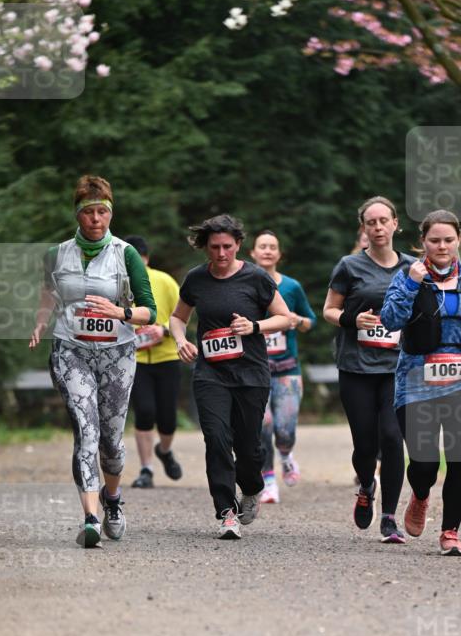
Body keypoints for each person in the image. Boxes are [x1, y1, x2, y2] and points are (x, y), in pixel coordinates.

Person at [29, 175, 157, 548]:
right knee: (86, 432)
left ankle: (112, 500)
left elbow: (150, 311)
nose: (96, 219)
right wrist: (40, 321)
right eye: (89, 213)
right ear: (78, 214)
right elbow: (48, 292)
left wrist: (120, 311)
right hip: (72, 351)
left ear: (110, 214)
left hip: (117, 354)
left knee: (112, 442)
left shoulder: (125, 254)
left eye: (103, 212)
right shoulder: (57, 253)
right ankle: (89, 518)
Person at [381, 208, 461, 556]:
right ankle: (421, 495)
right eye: (435, 240)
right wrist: (411, 282)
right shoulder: (407, 275)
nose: (442, 246)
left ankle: (451, 532)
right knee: (424, 463)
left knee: (460, 459)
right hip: (415, 378)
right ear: (422, 241)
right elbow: (390, 320)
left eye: (448, 240)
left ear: (458, 241)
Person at [168, 214, 291, 539]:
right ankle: (226, 512)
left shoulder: (256, 278)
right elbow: (178, 317)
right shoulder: (196, 279)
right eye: (214, 247)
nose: (221, 254)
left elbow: (285, 318)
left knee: (248, 446)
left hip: (251, 373)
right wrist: (181, 340)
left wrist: (254, 327)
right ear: (205, 248)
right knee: (217, 438)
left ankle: (251, 488)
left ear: (238, 245)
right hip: (211, 374)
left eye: (227, 246)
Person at [323, 196, 414, 542]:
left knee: (392, 439)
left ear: (395, 224)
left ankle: (389, 517)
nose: (377, 227)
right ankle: (365, 486)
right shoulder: (348, 266)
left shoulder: (411, 268)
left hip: (396, 367)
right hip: (356, 367)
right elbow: (329, 310)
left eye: (383, 221)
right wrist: (351, 318)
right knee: (364, 444)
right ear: (364, 228)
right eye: (370, 222)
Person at [249, 230, 316, 504]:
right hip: (255, 369)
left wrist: (296, 320)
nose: (267, 251)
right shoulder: (244, 283)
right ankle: (268, 480)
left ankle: (286, 455)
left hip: (287, 370)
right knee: (263, 425)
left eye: (272, 247)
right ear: (252, 252)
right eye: (262, 246)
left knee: (285, 430)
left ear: (279, 254)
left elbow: (311, 322)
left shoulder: (291, 287)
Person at [123, 235, 183, 489]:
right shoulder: (119, 286)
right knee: (145, 412)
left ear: (146, 258)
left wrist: (165, 330)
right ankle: (146, 469)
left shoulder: (165, 281)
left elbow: (183, 316)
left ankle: (165, 451)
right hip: (135, 360)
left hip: (167, 357)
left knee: (168, 417)